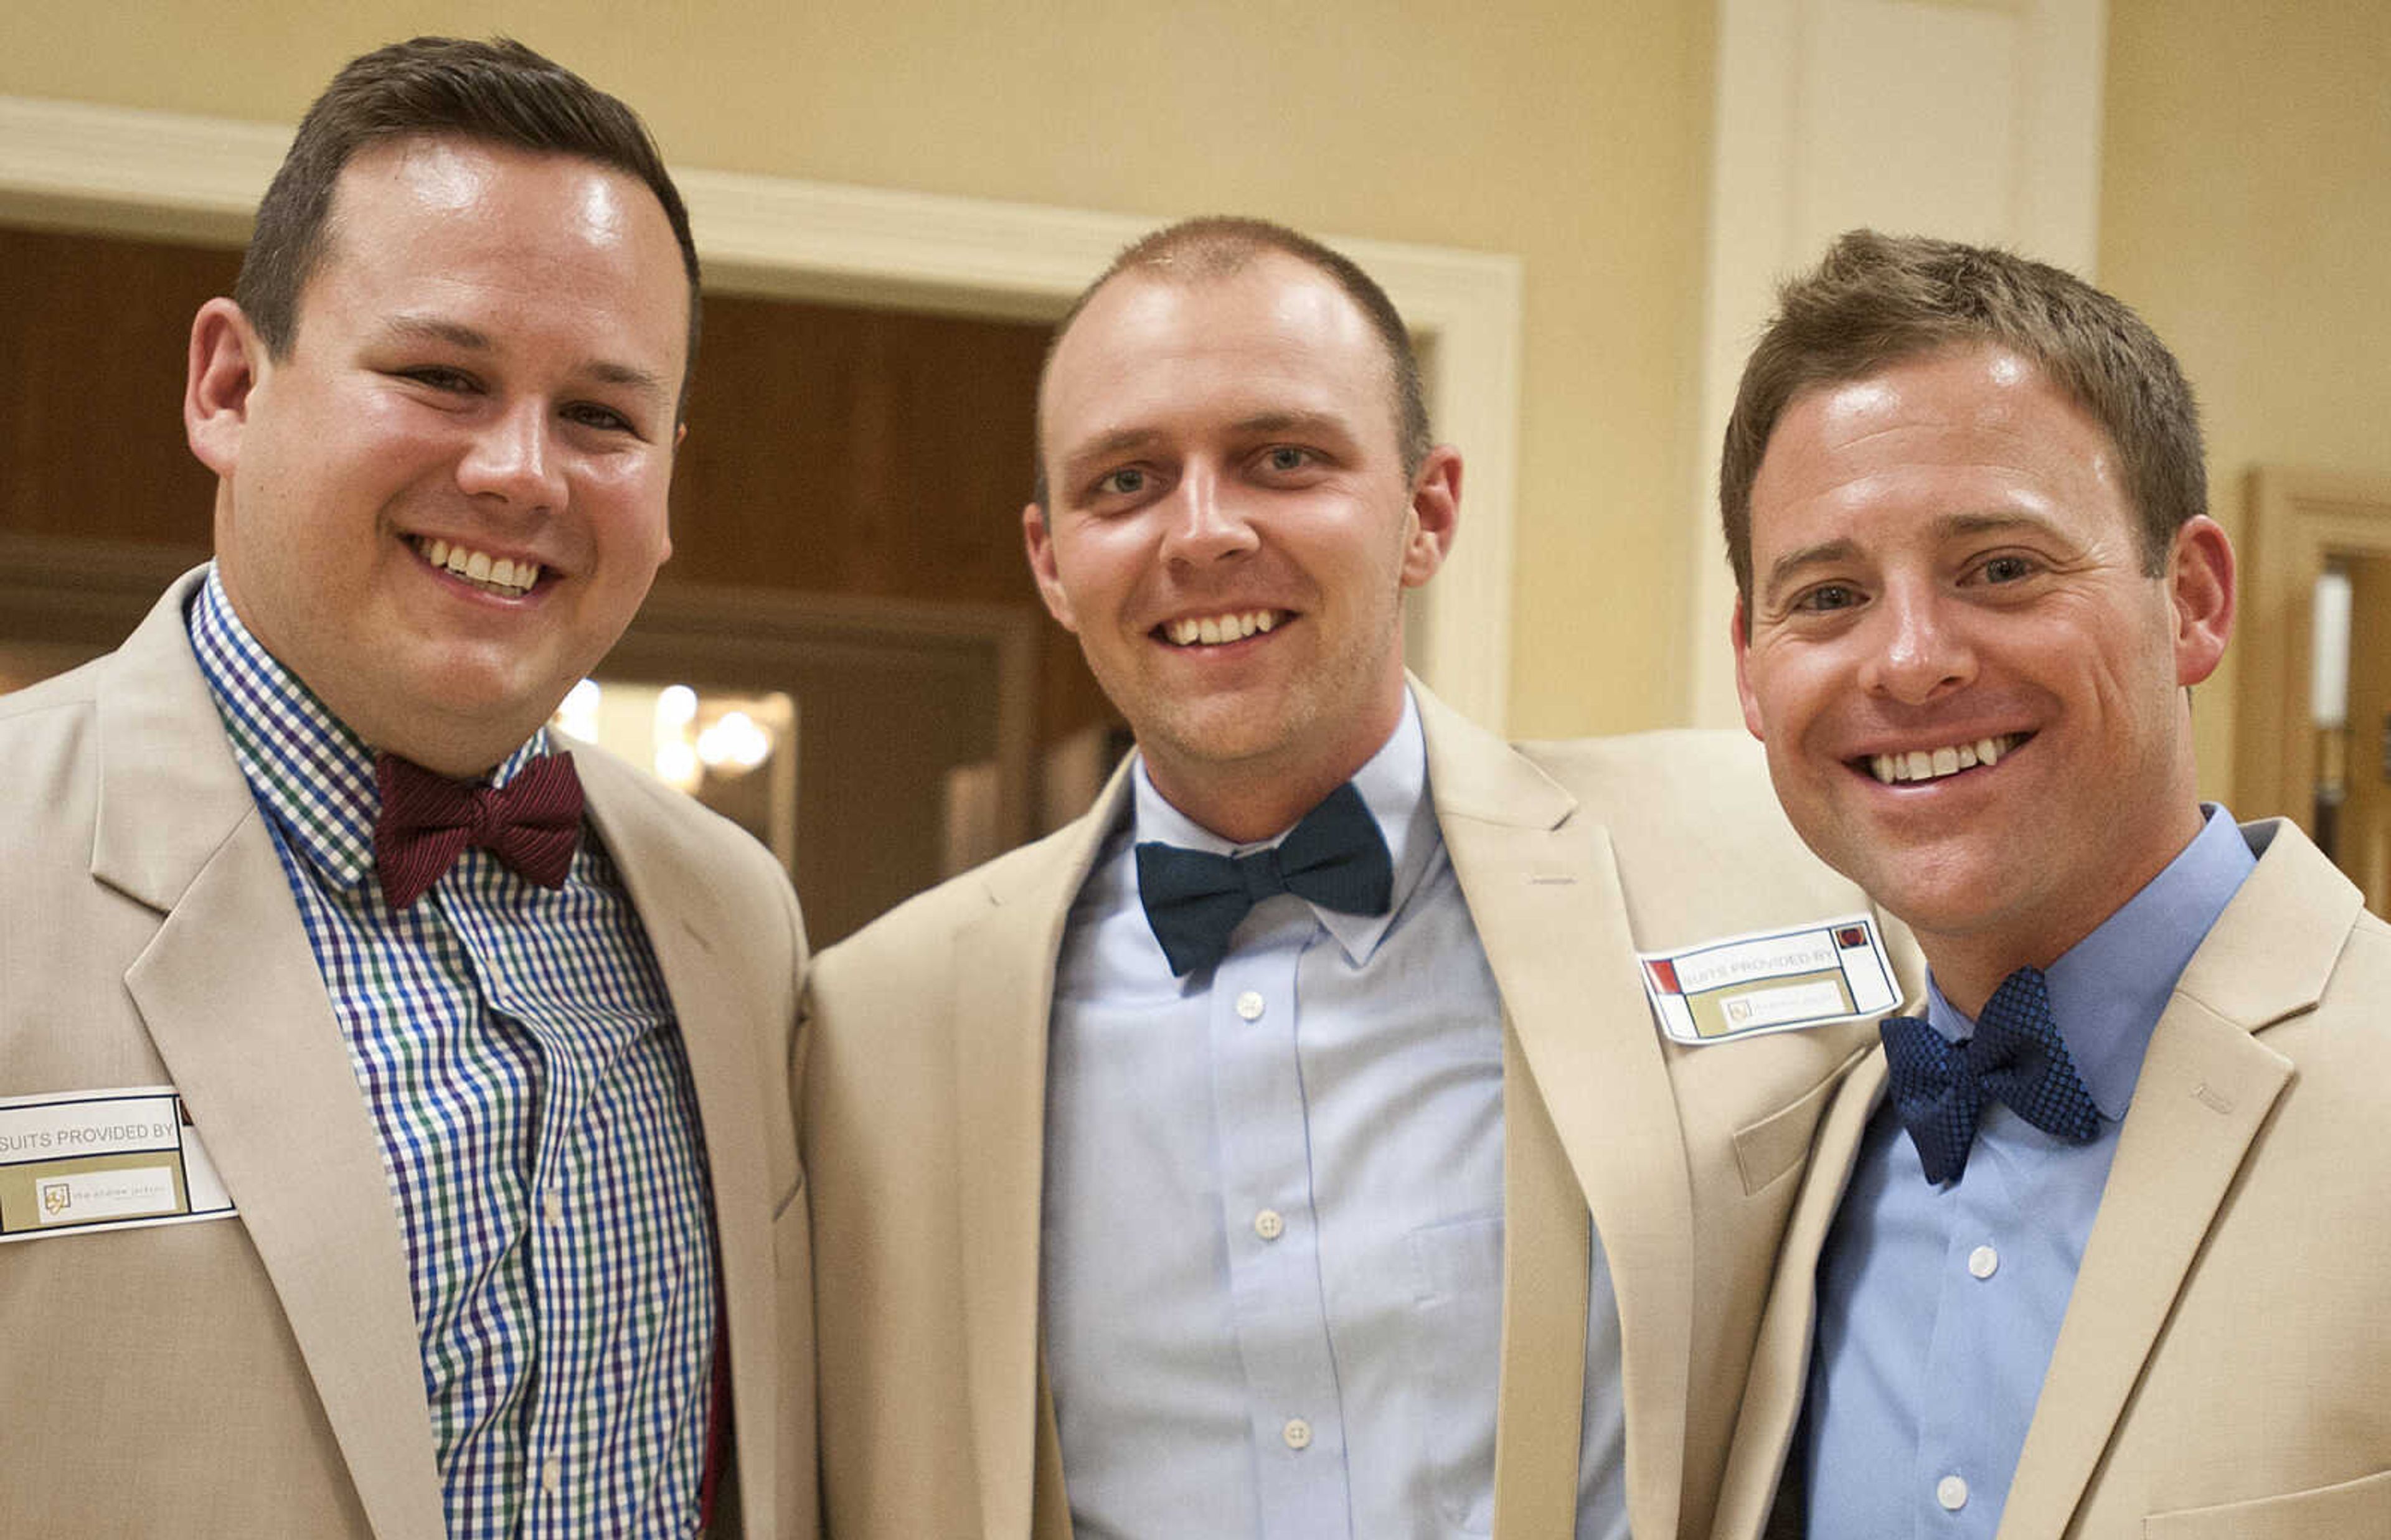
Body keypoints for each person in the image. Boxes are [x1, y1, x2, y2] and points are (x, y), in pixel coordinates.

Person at [803, 215, 1921, 1540]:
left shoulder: (1773, 849)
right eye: (1126, 482)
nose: (1204, 532)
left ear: (1426, 510)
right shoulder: (871, 1022)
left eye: (1284, 458)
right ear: (1052, 560)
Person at [0, 37, 811, 1539]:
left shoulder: (735, 919)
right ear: (232, 385)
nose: (522, 475)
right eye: (444, 376)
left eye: (603, 418)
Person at [1711, 230, 2391, 1538]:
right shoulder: (1786, 1148)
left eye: (2002, 568)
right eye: (1830, 594)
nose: (1909, 663)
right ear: (1752, 668)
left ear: (2190, 598)